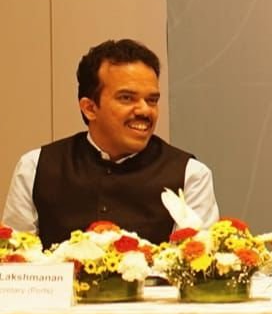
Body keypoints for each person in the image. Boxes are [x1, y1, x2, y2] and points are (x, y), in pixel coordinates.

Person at [4, 39, 219, 245]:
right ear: (89, 108)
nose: (145, 110)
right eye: (127, 98)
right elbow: (15, 260)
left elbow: (195, 262)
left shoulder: (190, 175)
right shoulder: (36, 167)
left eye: (152, 100)